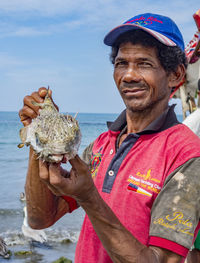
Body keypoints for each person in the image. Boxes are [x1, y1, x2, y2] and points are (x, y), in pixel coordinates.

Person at [19, 13, 200, 263]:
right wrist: (39, 134)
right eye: (121, 63)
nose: (129, 75)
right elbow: (41, 219)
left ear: (175, 75)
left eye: (144, 64)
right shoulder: (103, 144)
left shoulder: (188, 155)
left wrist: (89, 198)